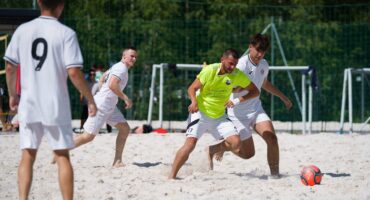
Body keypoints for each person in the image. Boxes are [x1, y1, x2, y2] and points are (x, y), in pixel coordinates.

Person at [4, 0, 97, 200]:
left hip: (29, 103)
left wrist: (13, 95)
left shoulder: (23, 30)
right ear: (61, 5)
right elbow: (73, 72)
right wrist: (90, 99)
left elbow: (10, 67)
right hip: (55, 104)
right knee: (62, 156)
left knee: (27, 155)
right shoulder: (66, 33)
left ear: (38, 2)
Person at [208, 33, 293, 178]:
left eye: (263, 51)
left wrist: (283, 97)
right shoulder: (240, 65)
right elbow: (228, 85)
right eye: (257, 50)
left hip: (256, 110)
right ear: (250, 47)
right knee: (248, 154)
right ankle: (215, 148)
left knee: (271, 138)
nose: (259, 54)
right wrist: (237, 89)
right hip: (237, 114)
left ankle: (275, 175)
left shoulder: (264, 65)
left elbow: (264, 84)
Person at [169, 48, 260, 179]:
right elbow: (192, 88)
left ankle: (213, 150)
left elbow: (255, 91)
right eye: (230, 63)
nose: (233, 67)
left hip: (219, 116)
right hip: (200, 113)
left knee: (236, 143)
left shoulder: (237, 74)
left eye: (235, 63)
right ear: (222, 60)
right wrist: (194, 101)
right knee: (190, 144)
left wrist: (237, 100)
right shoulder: (210, 70)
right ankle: (171, 177)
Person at [72, 47, 137, 167]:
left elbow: (102, 79)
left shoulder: (116, 67)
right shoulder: (121, 68)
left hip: (109, 105)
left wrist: (104, 93)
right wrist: (125, 98)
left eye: (135, 57)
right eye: (131, 56)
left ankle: (117, 161)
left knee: (124, 129)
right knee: (88, 136)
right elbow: (112, 85)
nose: (134, 58)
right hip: (102, 105)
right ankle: (61, 150)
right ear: (124, 57)